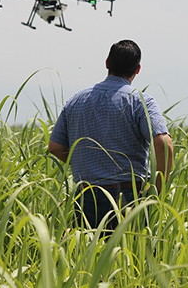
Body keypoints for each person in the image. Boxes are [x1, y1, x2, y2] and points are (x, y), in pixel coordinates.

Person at [48, 39, 173, 231]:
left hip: (87, 194)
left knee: (86, 258)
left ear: (107, 63)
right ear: (137, 69)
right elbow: (164, 143)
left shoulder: (76, 101)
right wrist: (156, 187)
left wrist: (87, 161)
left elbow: (55, 147)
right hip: (128, 196)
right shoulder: (140, 101)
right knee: (129, 257)